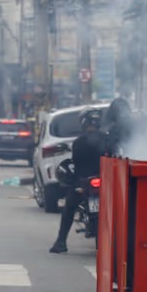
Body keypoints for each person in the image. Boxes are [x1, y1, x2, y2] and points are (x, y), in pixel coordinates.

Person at [49, 107, 103, 254]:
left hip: (84, 183)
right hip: (104, 182)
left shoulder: (79, 142)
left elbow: (76, 164)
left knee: (69, 207)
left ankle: (61, 242)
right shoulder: (106, 139)